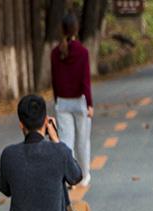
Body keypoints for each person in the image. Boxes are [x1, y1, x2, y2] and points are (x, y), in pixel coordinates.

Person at [51, 12, 93, 187]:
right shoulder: (82, 52)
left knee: (66, 141)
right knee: (83, 140)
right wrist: (89, 103)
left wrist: (56, 100)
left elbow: (54, 79)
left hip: (62, 101)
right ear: (76, 29)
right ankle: (83, 176)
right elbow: (85, 80)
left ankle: (70, 178)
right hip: (79, 101)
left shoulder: (55, 52)